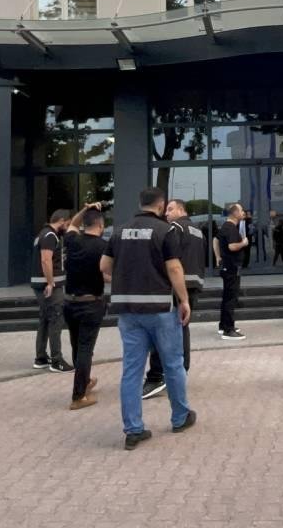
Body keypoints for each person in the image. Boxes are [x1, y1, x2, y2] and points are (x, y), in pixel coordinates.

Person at [101, 187, 197, 450]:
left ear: (140, 203)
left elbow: (104, 267)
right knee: (173, 364)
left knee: (132, 370)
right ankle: (180, 417)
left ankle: (133, 430)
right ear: (161, 205)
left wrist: (125, 277)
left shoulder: (119, 231)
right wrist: (184, 300)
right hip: (160, 309)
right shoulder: (165, 231)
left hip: (128, 311)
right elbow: (174, 268)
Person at [143, 198, 207, 399]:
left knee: (161, 328)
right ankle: (181, 370)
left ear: (181, 210)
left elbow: (170, 258)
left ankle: (156, 376)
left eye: (170, 209)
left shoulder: (175, 228)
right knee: (182, 329)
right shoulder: (198, 230)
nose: (166, 213)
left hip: (176, 286)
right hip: (194, 284)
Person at [63, 205, 108, 410]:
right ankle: (78, 396)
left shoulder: (73, 240)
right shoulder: (103, 247)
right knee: (85, 349)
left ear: (85, 224)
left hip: (70, 303)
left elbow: (73, 224)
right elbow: (108, 273)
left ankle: (85, 380)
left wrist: (85, 208)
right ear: (101, 225)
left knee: (77, 345)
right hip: (91, 303)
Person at [31, 209, 73, 373]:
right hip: (48, 286)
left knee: (45, 320)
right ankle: (57, 361)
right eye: (67, 224)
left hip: (41, 284)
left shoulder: (42, 234)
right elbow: (46, 260)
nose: (67, 228)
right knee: (56, 319)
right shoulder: (50, 235)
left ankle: (41, 357)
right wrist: (50, 282)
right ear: (61, 220)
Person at [213, 202, 250, 340]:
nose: (243, 213)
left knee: (227, 297)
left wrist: (218, 257)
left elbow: (215, 240)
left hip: (227, 267)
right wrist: (243, 243)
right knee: (231, 298)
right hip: (231, 267)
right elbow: (232, 246)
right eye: (241, 210)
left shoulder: (226, 226)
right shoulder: (230, 228)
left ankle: (224, 325)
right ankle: (229, 330)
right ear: (235, 213)